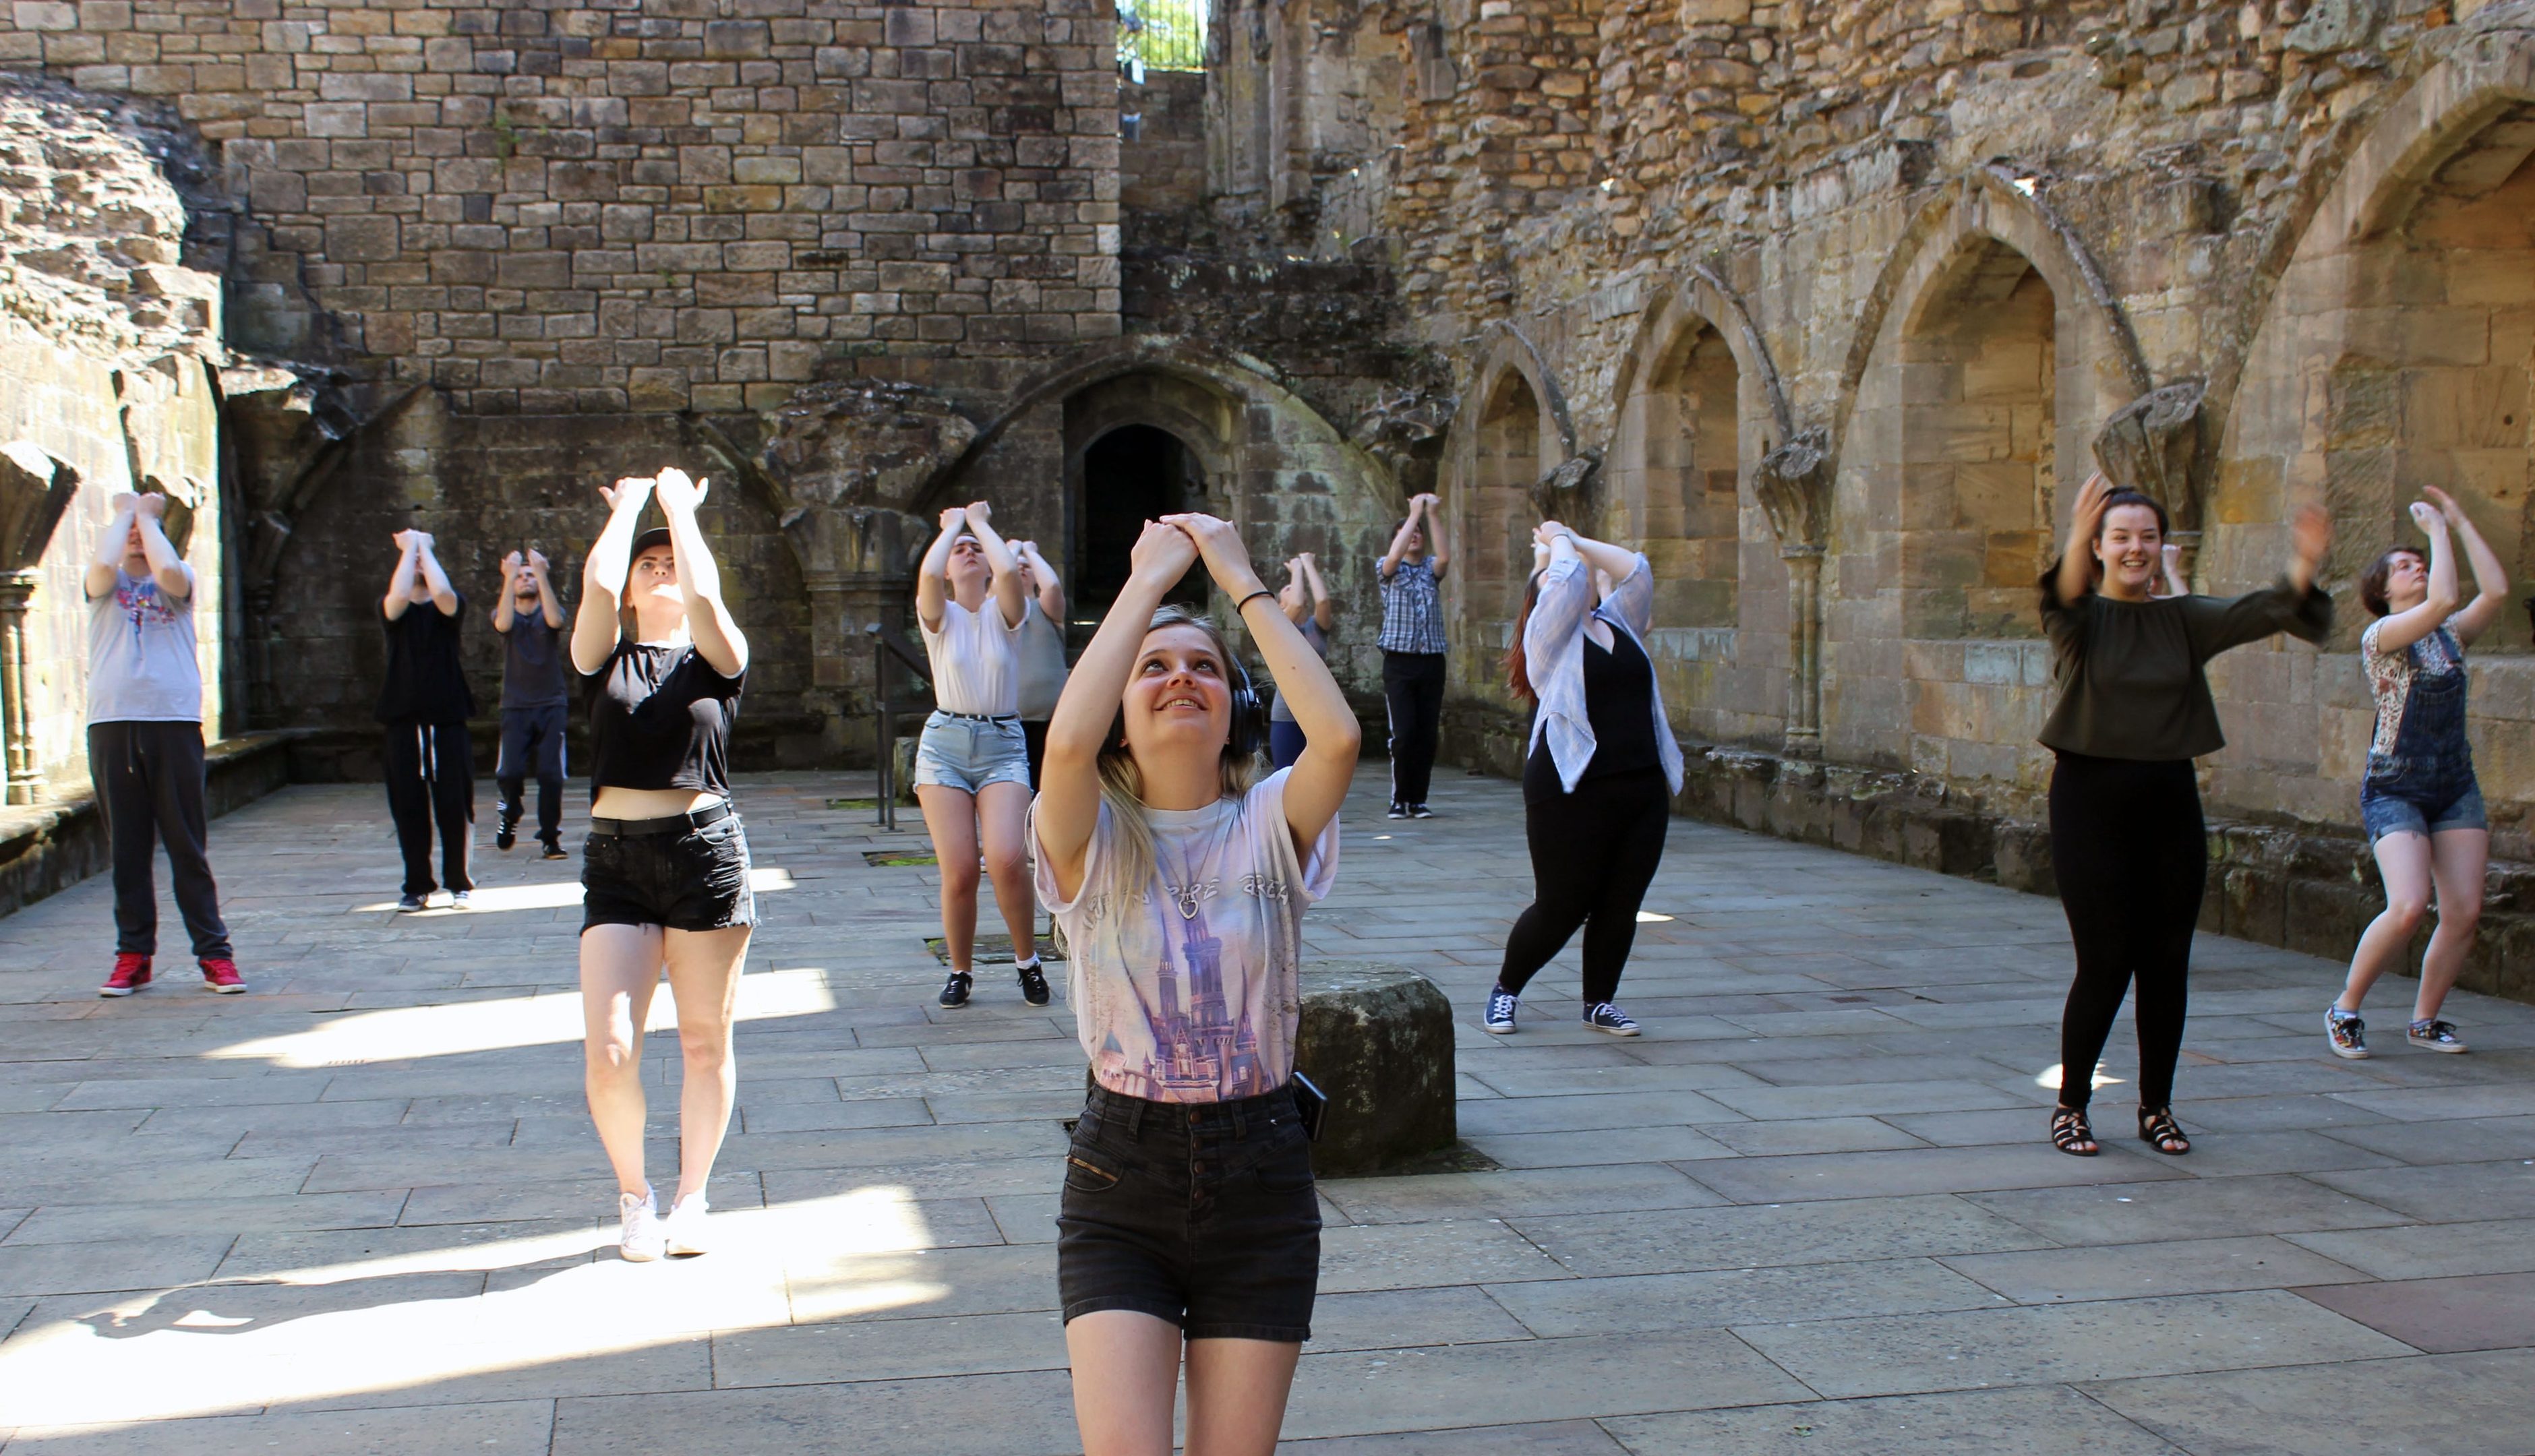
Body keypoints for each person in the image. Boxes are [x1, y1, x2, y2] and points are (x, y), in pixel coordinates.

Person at [1036, 512, 1358, 1456]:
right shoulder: (1086, 836)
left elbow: (1334, 740)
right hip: (1118, 1180)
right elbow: (1061, 752)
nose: (1181, 676)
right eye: (1153, 668)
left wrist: (1237, 575)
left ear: (1234, 709)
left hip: (1261, 1174)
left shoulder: (1268, 823)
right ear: (1120, 722)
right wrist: (1144, 586)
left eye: (1205, 667)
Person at [2039, 473, 2331, 1158]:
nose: (2135, 547)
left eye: (2147, 536)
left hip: (2168, 799)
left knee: (2166, 960)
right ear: (2102, 547)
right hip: (2089, 800)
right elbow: (2059, 592)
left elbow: (2269, 610)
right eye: (2120, 537)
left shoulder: (2182, 619)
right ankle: (2071, 1105)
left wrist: (2305, 563)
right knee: (2105, 960)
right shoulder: (2078, 619)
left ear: (2161, 544)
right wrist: (2076, 535)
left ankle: (2155, 1107)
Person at [569, 467, 756, 1263]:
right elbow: (598, 581)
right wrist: (633, 508)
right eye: (651, 566)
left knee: (705, 1043)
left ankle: (692, 1197)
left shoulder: (719, 657)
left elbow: (707, 599)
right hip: (615, 860)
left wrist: (683, 514)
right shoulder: (602, 653)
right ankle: (635, 1197)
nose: (662, 570)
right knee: (610, 1050)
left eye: (670, 561)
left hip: (703, 854)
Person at [1483, 521, 1683, 1037]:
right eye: (1556, 576)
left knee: (1621, 903)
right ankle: (1505, 991)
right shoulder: (1548, 641)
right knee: (1563, 904)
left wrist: (1570, 536)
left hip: (1640, 787)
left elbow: (1636, 570)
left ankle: (1599, 1002)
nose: (1575, 574)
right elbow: (1569, 579)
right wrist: (1555, 543)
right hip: (1569, 790)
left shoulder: (1620, 624)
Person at [2329, 485, 2505, 1059]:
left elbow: (2496, 590)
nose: (2419, 568)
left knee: (2463, 912)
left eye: (2421, 563)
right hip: (2395, 785)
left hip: (2454, 783)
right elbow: (2444, 598)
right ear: (2381, 592)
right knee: (2407, 906)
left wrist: (2457, 519)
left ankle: (2425, 1021)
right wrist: (2435, 533)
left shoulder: (2449, 635)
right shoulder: (2381, 637)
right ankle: (2345, 1008)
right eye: (2404, 567)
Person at [88, 491, 242, 996]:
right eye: (129, 530)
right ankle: (133, 955)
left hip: (172, 721)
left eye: (144, 531)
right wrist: (124, 516)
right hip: (113, 723)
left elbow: (170, 572)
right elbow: (102, 565)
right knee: (127, 849)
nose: (135, 535)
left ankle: (215, 955)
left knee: (185, 845)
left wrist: (148, 518)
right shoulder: (102, 586)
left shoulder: (180, 582)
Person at [913, 502, 1045, 1009]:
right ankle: (960, 970)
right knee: (962, 869)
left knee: (1009, 857)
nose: (968, 552)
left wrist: (981, 525)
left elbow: (1010, 570)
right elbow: (927, 572)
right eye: (959, 551)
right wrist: (951, 528)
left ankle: (1026, 962)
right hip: (945, 742)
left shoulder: (1005, 614)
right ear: (949, 567)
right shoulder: (939, 616)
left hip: (1002, 741)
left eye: (976, 551)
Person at [378, 527, 475, 913]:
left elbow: (444, 595)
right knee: (408, 807)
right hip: (402, 723)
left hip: (447, 721)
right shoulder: (392, 610)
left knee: (455, 805)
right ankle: (417, 885)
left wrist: (425, 549)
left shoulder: (448, 610)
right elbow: (399, 597)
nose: (418, 566)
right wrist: (410, 549)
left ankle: (459, 883)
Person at [493, 547, 571, 860]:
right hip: (515, 706)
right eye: (521, 576)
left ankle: (550, 836)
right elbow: (502, 624)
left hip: (551, 704)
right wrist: (508, 575)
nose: (526, 579)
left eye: (530, 575)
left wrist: (541, 573)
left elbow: (555, 619)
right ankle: (510, 812)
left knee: (551, 774)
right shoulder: (506, 612)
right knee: (510, 772)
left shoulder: (549, 611)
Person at [1377, 491, 1449, 819]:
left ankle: (1418, 799)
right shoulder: (1389, 570)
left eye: (1419, 533)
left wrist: (1431, 514)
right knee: (1403, 733)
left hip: (1432, 661)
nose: (1415, 534)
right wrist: (1413, 514)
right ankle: (1399, 798)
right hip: (1400, 662)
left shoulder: (1431, 570)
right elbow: (1393, 557)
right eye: (1408, 532)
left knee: (1426, 734)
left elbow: (1445, 557)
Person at [1267, 551, 1335, 772]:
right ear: (1279, 605)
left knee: (1320, 779)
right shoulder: (1278, 627)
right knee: (1285, 778)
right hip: (1287, 715)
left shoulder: (1317, 629)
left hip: (1319, 715)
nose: (1294, 589)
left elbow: (1323, 600)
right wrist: (1296, 569)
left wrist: (1308, 564)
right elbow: (1296, 603)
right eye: (1286, 589)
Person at [1012, 538, 1070, 787]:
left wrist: (1030, 552)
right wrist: (1010, 553)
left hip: (1051, 719)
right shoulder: (993, 612)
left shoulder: (1045, 609)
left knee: (1050, 787)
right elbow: (999, 582)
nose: (1022, 569)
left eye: (1027, 567)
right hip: (1011, 721)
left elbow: (1053, 587)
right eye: (1016, 566)